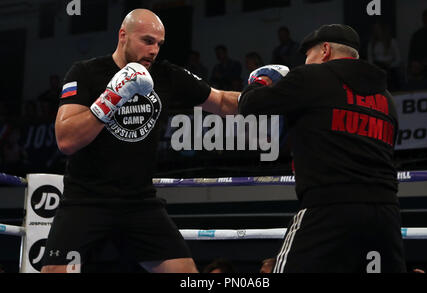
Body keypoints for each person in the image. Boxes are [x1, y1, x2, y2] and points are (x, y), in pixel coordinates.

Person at [41, 9, 240, 273]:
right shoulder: (86, 73)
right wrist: (111, 99)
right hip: (86, 200)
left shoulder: (166, 75)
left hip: (139, 202)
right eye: (147, 41)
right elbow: (66, 140)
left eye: (159, 43)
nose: (154, 50)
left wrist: (269, 95)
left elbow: (223, 102)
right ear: (123, 35)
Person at [239, 24, 406, 273]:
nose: (305, 62)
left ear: (325, 50)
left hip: (328, 208)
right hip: (386, 217)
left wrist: (258, 80)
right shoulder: (386, 98)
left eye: (308, 55)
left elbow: (250, 105)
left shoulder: (311, 77)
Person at [367, 22, 403, 91]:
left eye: (378, 29)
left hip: (390, 70)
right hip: (377, 70)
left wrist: (390, 65)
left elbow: (398, 59)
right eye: (374, 29)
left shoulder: (392, 41)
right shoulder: (371, 43)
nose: (376, 31)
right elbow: (370, 60)